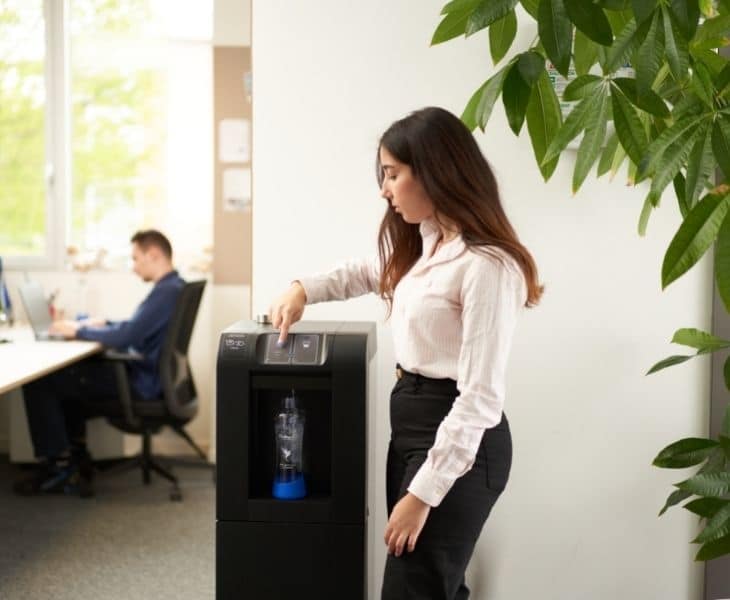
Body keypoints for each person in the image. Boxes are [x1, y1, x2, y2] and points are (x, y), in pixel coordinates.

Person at [270, 107, 542, 600]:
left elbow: (480, 397)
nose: (384, 189)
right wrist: (301, 290)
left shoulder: (487, 265)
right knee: (433, 585)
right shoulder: (426, 246)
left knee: (413, 589)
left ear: (436, 170)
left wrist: (422, 493)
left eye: (392, 174)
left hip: (460, 441)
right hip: (413, 430)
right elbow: (361, 271)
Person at [13, 229, 185, 497]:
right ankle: (73, 462)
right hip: (147, 376)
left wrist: (77, 331)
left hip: (139, 382)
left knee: (44, 382)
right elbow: (136, 327)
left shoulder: (166, 292)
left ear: (154, 255)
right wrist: (105, 323)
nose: (134, 266)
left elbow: (129, 336)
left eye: (136, 259)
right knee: (66, 377)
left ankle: (59, 468)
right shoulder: (173, 288)